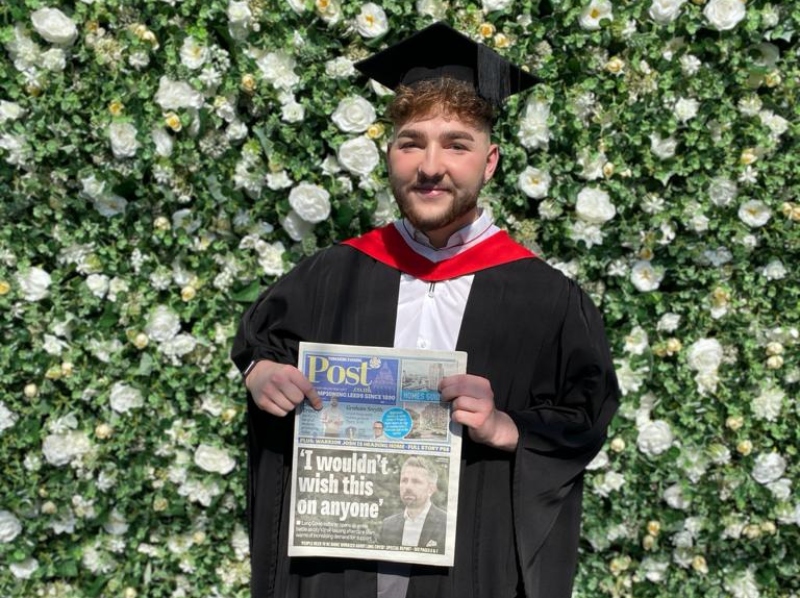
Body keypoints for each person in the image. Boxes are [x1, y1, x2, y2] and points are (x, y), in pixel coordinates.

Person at [231, 21, 619, 598]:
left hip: (472, 571)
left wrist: (505, 426)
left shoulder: (548, 300)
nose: (430, 165)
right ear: (390, 154)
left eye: (456, 144)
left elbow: (583, 417)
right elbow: (262, 348)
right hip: (336, 573)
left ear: (489, 163)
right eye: (412, 142)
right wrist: (262, 375)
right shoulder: (330, 275)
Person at [378, 457, 447, 553]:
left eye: (416, 481)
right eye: (404, 480)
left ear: (430, 489)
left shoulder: (446, 524)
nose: (408, 487)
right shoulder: (388, 525)